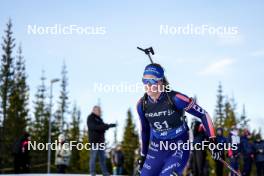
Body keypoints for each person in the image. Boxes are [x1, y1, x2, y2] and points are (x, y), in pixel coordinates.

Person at [136, 63, 221, 176]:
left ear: (161, 81)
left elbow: (203, 115)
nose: (148, 85)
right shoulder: (142, 104)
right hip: (157, 147)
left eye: (152, 81)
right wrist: (143, 155)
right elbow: (145, 130)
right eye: (144, 81)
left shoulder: (176, 99)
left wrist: (213, 141)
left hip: (178, 144)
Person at [87, 105, 116, 176]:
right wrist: (104, 127)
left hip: (101, 142)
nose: (100, 112)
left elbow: (103, 126)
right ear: (94, 110)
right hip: (94, 141)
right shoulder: (91, 117)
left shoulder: (100, 119)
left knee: (102, 159)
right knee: (93, 157)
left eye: (100, 110)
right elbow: (93, 127)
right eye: (98, 110)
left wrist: (110, 125)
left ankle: (105, 172)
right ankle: (92, 172)